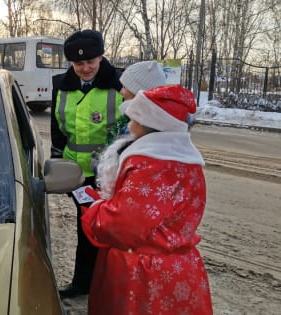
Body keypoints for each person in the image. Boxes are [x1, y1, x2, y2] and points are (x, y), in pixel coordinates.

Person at [81, 84, 213, 314]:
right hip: (181, 268)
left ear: (149, 125)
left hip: (143, 275)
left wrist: (95, 210)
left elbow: (124, 225)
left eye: (134, 119)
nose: (129, 125)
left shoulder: (148, 165)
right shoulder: (188, 161)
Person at [50, 29, 124, 298]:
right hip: (78, 176)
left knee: (112, 231)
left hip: (111, 175)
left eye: (90, 61)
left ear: (101, 57)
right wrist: (57, 164)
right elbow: (58, 131)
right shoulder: (61, 84)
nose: (85, 68)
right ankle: (83, 283)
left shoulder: (119, 84)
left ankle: (112, 284)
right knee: (88, 228)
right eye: (79, 64)